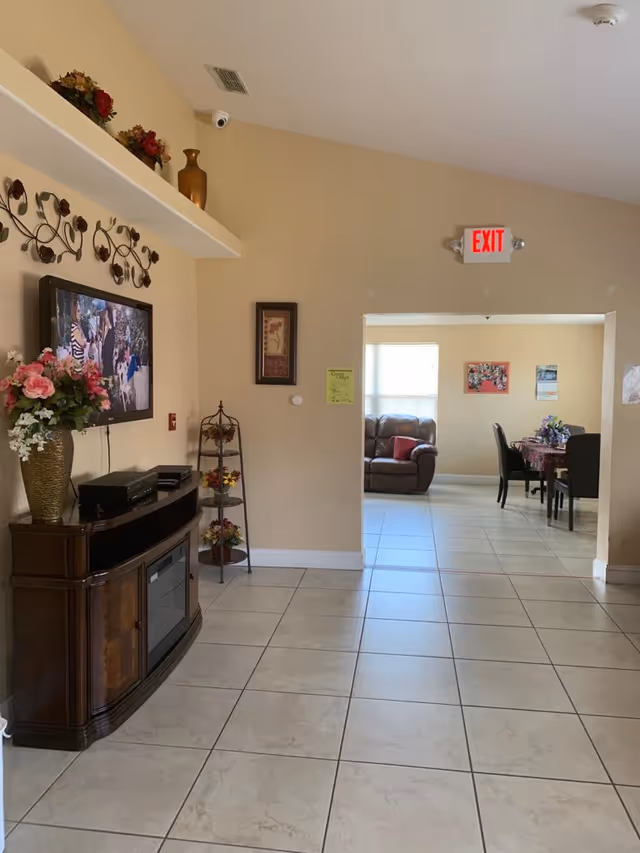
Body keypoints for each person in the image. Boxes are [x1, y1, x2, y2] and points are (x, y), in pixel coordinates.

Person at [70, 296, 86, 366]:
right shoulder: (75, 328)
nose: (80, 313)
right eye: (78, 311)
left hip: (80, 362)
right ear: (74, 312)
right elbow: (83, 344)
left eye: (80, 311)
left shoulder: (77, 326)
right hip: (78, 364)